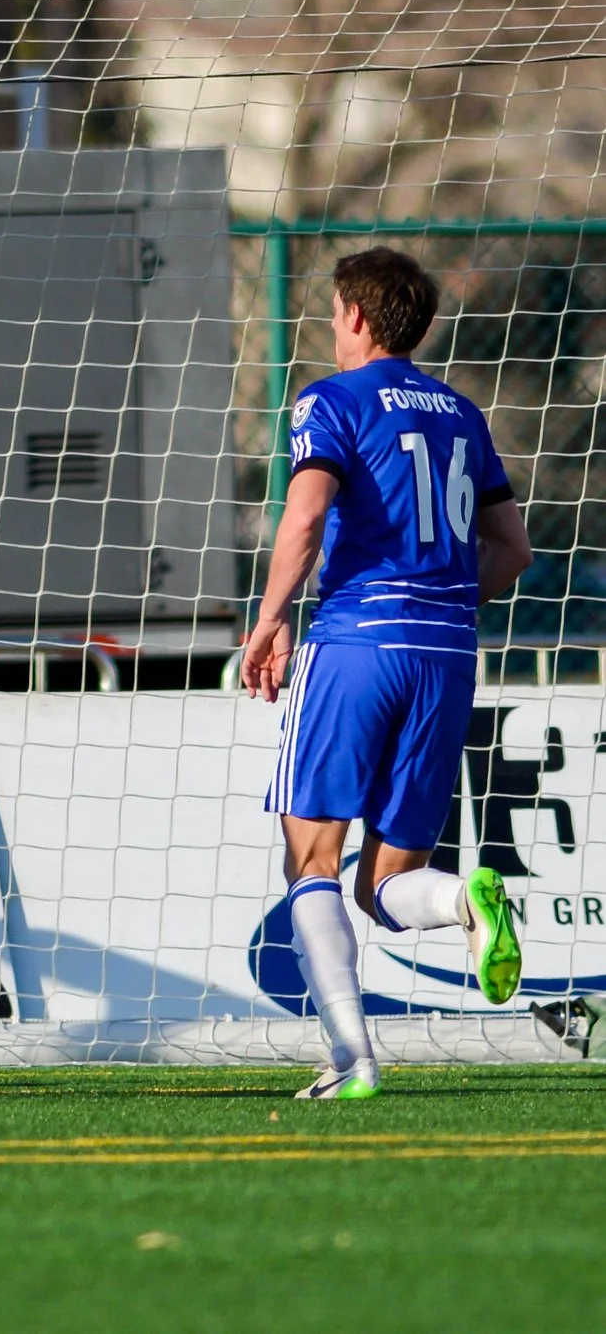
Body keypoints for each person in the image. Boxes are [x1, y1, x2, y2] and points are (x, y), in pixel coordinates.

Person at [243, 246, 532, 1101]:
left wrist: (271, 618)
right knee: (388, 882)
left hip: (357, 643)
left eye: (335, 312)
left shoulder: (330, 400)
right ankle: (464, 903)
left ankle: (352, 1058)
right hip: (447, 655)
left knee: (312, 862)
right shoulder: (461, 413)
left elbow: (306, 515)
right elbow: (513, 548)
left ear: (358, 316)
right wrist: (442, 604)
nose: (332, 326)